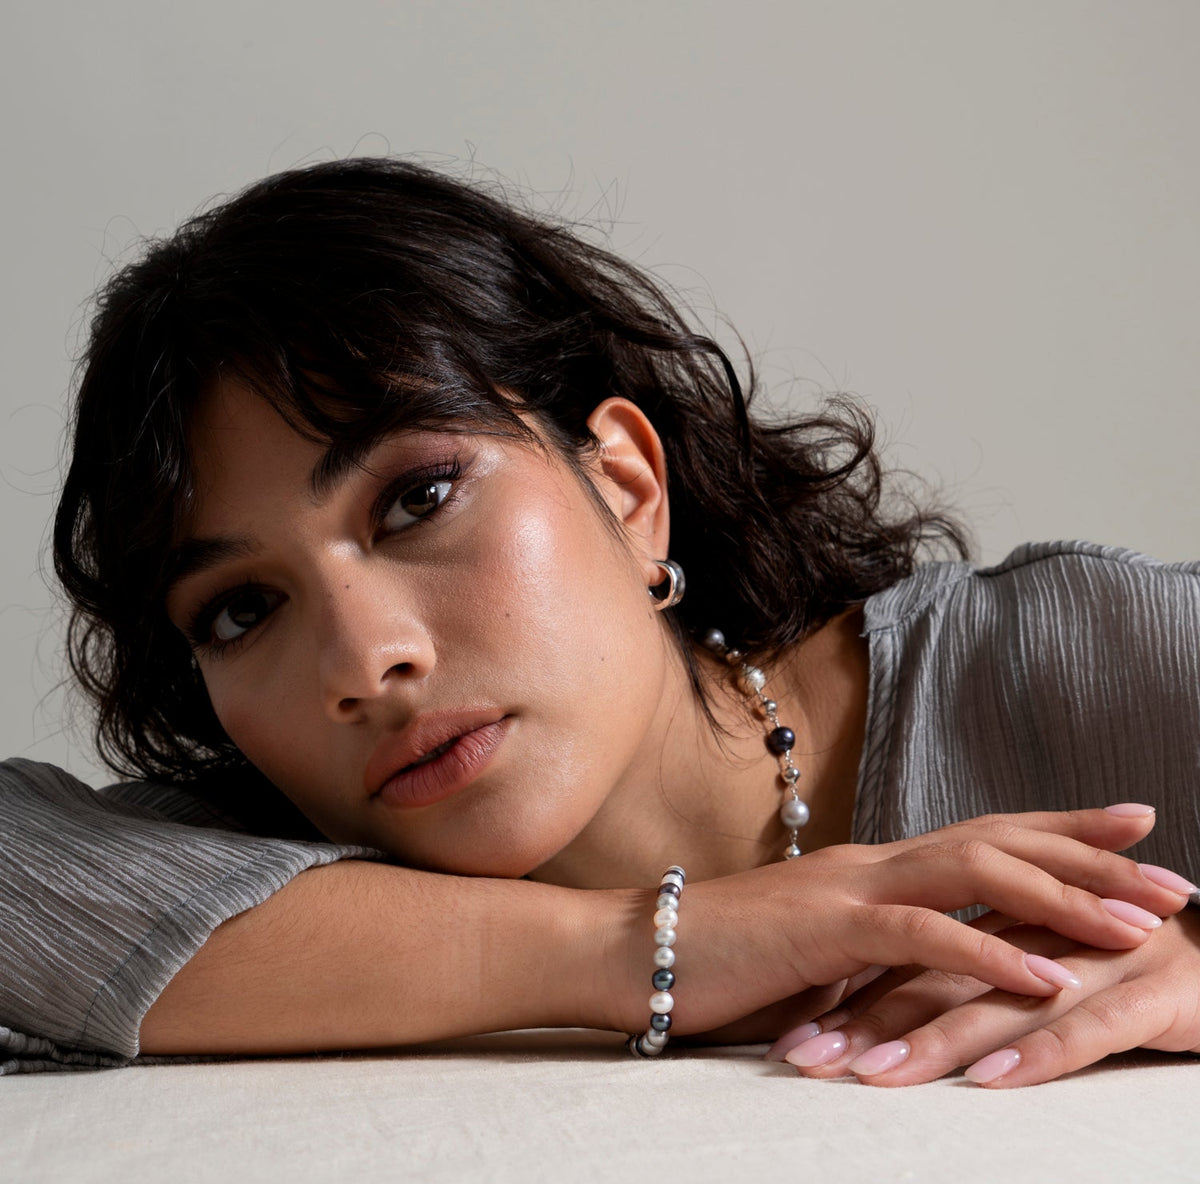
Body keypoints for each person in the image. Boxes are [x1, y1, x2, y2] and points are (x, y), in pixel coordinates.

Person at [3, 158, 1197, 1085]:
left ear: (625, 488)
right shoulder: (256, 893)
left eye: (418, 499)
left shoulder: (1075, 663)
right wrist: (649, 947)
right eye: (242, 609)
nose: (365, 662)